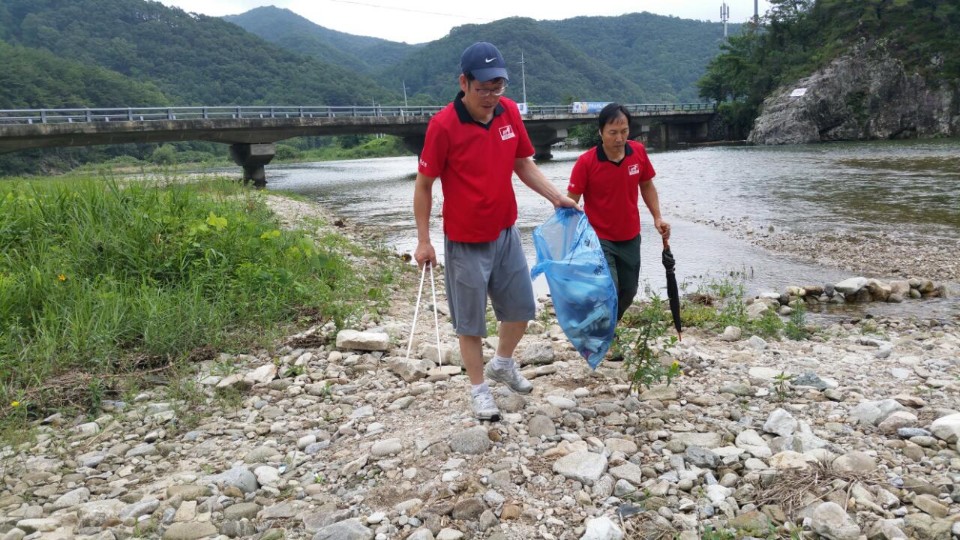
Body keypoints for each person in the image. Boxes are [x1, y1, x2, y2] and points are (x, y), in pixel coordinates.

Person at [413, 41, 578, 421]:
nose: (491, 97)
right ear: (464, 83)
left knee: (521, 309)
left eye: (497, 87)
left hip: (506, 232)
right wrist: (423, 241)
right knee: (470, 322)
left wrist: (556, 197)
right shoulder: (443, 126)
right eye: (483, 89)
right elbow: (423, 186)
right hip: (465, 239)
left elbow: (523, 163)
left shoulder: (509, 113)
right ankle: (478, 390)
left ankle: (502, 363)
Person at [566, 103, 670, 325]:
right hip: (598, 237)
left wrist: (657, 217)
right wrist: (569, 239)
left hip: (630, 236)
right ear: (600, 132)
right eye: (613, 132)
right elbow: (570, 203)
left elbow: (647, 185)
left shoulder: (638, 152)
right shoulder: (586, 162)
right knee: (609, 288)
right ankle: (602, 332)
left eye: (624, 131)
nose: (619, 138)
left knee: (629, 291)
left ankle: (606, 328)